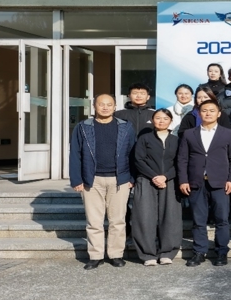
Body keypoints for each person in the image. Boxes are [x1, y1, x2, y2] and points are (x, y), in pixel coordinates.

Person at [70, 94, 136, 270]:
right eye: (101, 104)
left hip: (120, 179)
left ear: (115, 107)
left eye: (109, 104)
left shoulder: (126, 126)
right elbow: (75, 153)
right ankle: (95, 256)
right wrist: (76, 179)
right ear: (94, 106)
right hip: (91, 180)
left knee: (118, 220)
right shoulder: (83, 127)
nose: (105, 107)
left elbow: (133, 153)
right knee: (94, 221)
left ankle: (116, 254)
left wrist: (132, 177)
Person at [178, 100, 231, 267]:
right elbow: (182, 159)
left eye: (212, 110)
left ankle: (221, 252)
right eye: (204, 110)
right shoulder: (189, 134)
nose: (208, 113)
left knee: (222, 219)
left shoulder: (228, 134)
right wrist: (183, 180)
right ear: (199, 113)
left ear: (219, 113)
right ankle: (199, 252)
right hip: (196, 182)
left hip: (220, 182)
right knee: (198, 220)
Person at [132, 108, 182, 266]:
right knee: (144, 216)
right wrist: (154, 176)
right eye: (158, 118)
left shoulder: (176, 140)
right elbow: (138, 160)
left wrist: (165, 176)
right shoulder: (144, 138)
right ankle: (148, 254)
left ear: (171, 121)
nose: (161, 121)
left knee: (170, 216)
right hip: (146, 179)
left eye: (165, 118)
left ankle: (167, 252)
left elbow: (180, 162)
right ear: (153, 120)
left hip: (170, 180)